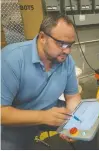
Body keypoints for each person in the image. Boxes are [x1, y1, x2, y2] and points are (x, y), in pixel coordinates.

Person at [1, 14, 81, 150]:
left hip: (48, 110)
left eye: (70, 45)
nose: (67, 51)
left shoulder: (66, 61)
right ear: (43, 37)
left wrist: (74, 123)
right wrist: (43, 116)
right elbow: (2, 113)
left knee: (86, 132)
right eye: (61, 44)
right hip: (13, 121)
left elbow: (72, 96)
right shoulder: (11, 59)